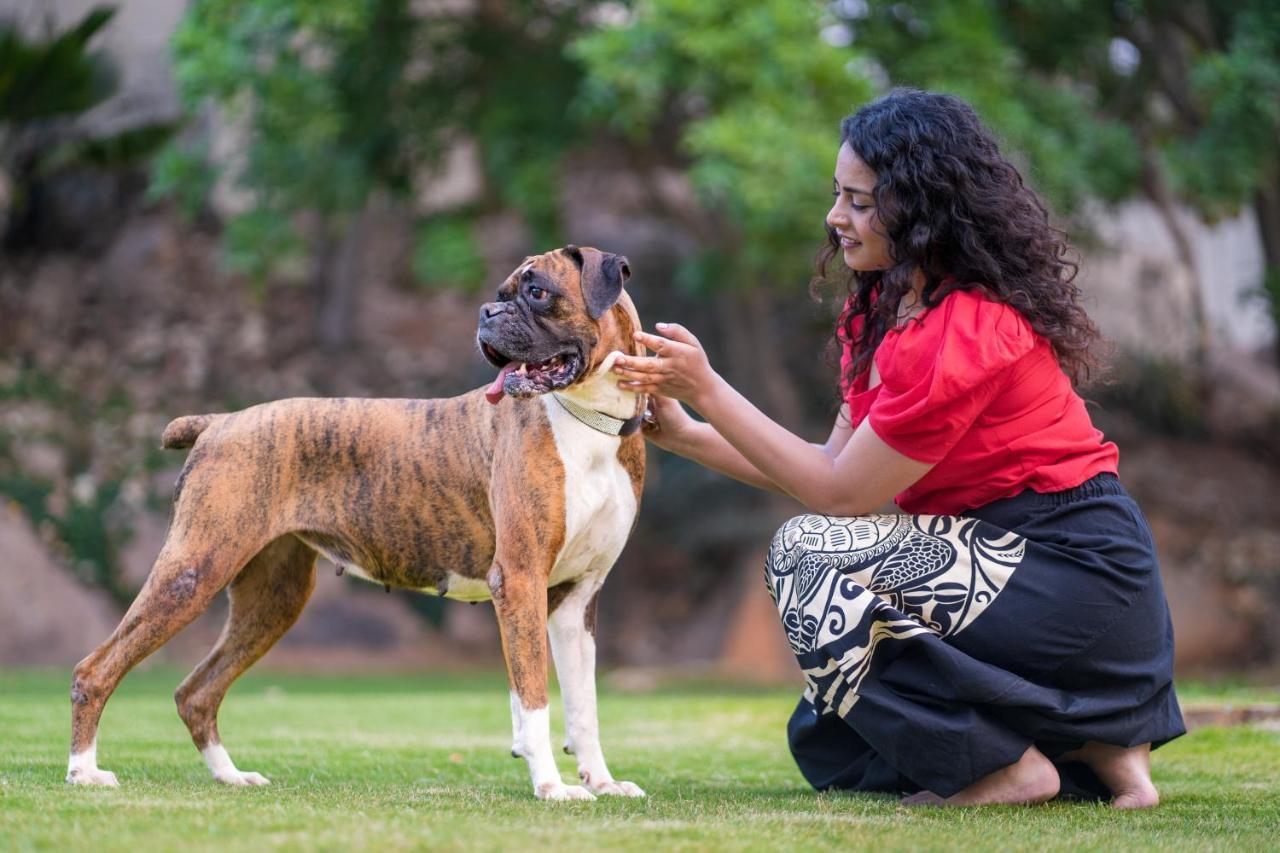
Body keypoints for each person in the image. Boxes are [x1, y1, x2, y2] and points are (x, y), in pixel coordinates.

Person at [610, 88, 1185, 808]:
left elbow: (840, 498)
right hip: (1002, 565)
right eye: (836, 196)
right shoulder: (885, 311)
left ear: (921, 206)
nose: (835, 218)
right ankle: (1095, 751)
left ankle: (1014, 768)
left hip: (1074, 572)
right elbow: (830, 466)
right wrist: (690, 436)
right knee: (831, 734)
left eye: (859, 201)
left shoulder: (965, 332)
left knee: (803, 555)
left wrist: (708, 388)